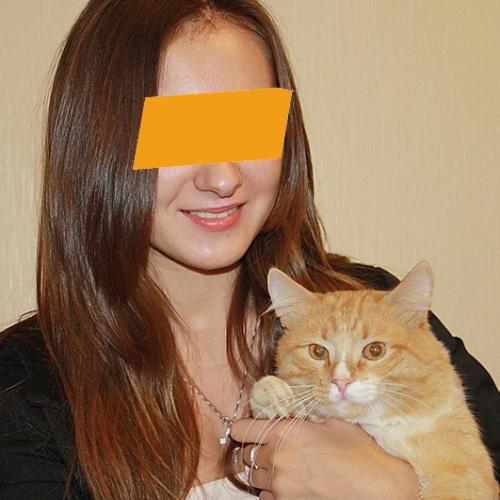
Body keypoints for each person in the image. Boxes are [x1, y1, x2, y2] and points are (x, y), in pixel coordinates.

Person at [0, 1, 498, 499]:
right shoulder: (20, 389)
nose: (222, 179)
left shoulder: (378, 305)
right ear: (98, 144)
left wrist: (392, 491)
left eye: (247, 127)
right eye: (179, 134)